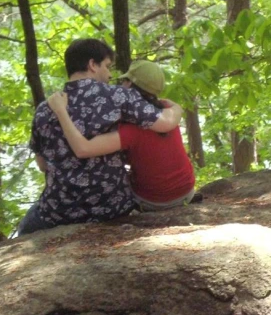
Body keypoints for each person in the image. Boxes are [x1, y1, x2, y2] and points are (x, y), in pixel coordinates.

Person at [15, 39, 182, 236]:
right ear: (92, 65)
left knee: (25, 229)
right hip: (113, 207)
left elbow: (42, 164)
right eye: (107, 66)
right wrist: (177, 108)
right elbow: (166, 122)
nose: (110, 74)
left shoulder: (44, 109)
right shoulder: (118, 96)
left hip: (60, 211)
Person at [47, 60, 195, 212]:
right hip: (187, 190)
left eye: (124, 80)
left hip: (155, 201)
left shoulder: (131, 130)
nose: (120, 86)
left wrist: (61, 111)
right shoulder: (167, 111)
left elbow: (83, 149)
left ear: (130, 85)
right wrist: (177, 107)